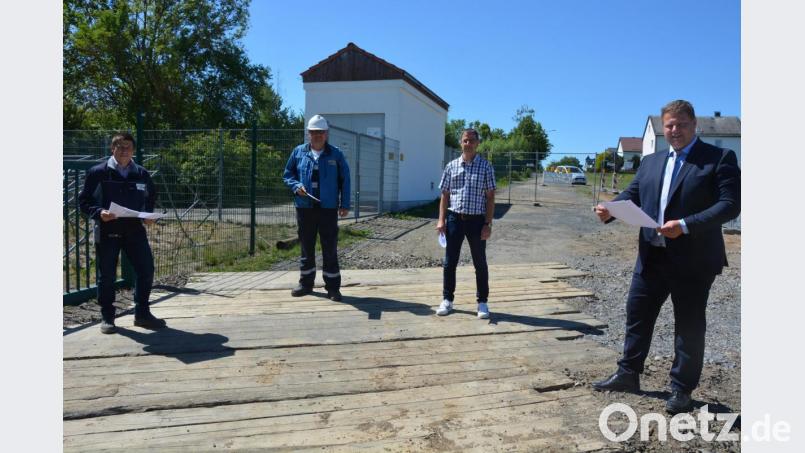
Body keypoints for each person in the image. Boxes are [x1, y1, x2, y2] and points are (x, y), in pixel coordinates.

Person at [591, 100, 740, 414]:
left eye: (681, 124)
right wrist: (610, 209)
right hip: (652, 256)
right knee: (637, 316)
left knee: (688, 326)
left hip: (694, 260)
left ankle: (682, 389)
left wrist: (685, 226)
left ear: (694, 125)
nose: (675, 131)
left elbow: (730, 204)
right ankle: (628, 374)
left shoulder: (718, 158)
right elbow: (634, 194)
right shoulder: (651, 161)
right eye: (669, 125)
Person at [79, 132, 166, 334]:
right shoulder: (97, 172)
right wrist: (100, 212)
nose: (124, 150)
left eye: (128, 146)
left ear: (133, 150)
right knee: (107, 275)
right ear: (113, 149)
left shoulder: (142, 174)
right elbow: (84, 202)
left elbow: (149, 197)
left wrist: (148, 214)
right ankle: (107, 317)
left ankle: (142, 314)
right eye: (120, 146)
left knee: (146, 269)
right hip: (107, 230)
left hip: (135, 231)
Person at [283, 115, 351, 301]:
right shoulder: (298, 152)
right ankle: (306, 284)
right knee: (307, 247)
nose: (317, 136)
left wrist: (345, 204)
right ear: (308, 134)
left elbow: (345, 180)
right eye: (314, 132)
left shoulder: (335, 154)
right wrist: (297, 187)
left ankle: (333, 288)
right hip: (305, 208)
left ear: (326, 134)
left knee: (329, 248)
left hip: (328, 209)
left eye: (320, 132)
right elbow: (288, 174)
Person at [435, 128, 496, 319]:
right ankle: (447, 300)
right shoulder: (451, 166)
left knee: (480, 263)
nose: (467, 144)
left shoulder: (486, 167)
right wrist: (441, 220)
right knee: (449, 262)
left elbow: (491, 197)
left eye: (471, 141)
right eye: (464, 140)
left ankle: (482, 302)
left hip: (477, 221)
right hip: (454, 219)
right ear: (461, 143)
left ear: (478, 143)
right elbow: (444, 195)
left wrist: (487, 223)